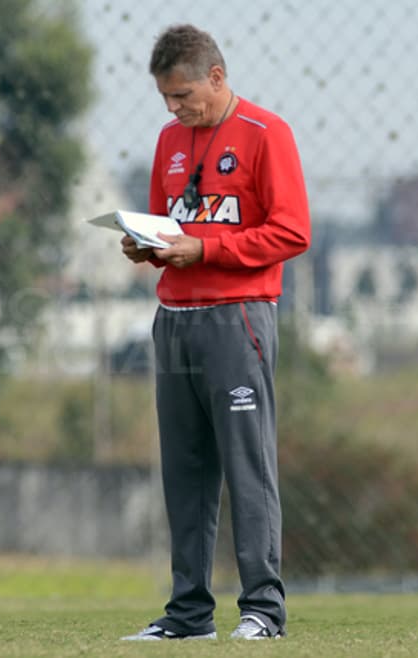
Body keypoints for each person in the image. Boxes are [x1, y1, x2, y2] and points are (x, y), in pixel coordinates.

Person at [119, 24, 310, 641]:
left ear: (216, 78)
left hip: (238, 319)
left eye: (182, 96)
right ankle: (188, 613)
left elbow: (291, 232)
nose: (175, 110)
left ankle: (262, 610)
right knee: (185, 468)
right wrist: (144, 246)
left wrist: (206, 250)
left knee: (246, 463)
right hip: (173, 322)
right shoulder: (170, 140)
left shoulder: (265, 134)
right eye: (166, 100)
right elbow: (169, 227)